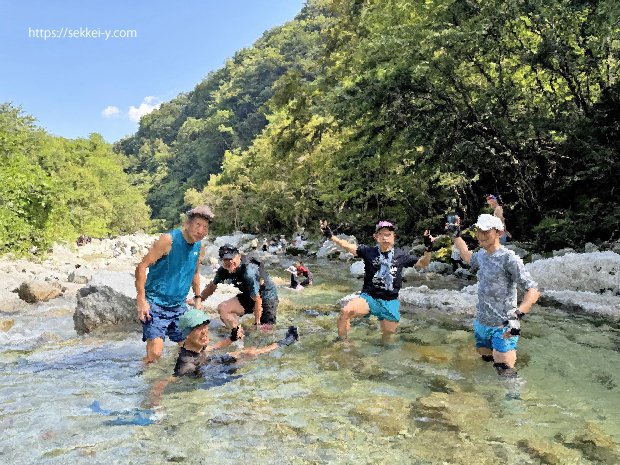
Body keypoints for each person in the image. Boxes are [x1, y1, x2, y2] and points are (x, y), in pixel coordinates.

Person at [451, 213, 540, 377]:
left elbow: (533, 290)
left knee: (505, 374)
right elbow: (465, 254)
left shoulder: (509, 258)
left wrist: (517, 315)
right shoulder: (481, 255)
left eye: (485, 231)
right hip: (482, 323)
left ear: (499, 233)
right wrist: (456, 235)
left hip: (503, 325)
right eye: (478, 231)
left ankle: (515, 402)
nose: (480, 235)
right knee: (486, 363)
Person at [148, 309, 299, 405]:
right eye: (199, 329)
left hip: (207, 362)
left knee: (245, 351)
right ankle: (284, 343)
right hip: (208, 374)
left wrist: (231, 339)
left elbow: (213, 348)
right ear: (186, 335)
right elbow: (160, 384)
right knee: (248, 356)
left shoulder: (194, 346)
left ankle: (282, 343)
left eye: (205, 327)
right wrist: (157, 408)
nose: (205, 332)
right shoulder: (185, 365)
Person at [320, 219, 433, 343]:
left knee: (388, 341)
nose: (385, 238)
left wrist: (428, 248)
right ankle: (343, 344)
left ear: (393, 237)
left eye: (388, 234)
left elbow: (423, 263)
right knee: (345, 311)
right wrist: (331, 236)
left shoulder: (401, 255)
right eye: (381, 234)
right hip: (369, 298)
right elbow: (347, 246)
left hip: (390, 301)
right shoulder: (369, 252)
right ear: (376, 237)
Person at [135, 205, 213, 363]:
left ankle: (178, 374)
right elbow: (142, 266)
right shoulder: (168, 240)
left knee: (191, 346)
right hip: (155, 303)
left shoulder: (200, 246)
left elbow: (195, 272)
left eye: (205, 227)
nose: (201, 230)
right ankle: (143, 375)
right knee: (155, 354)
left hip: (178, 306)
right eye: (197, 225)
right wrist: (141, 301)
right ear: (187, 223)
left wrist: (198, 298)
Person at [198, 244, 279, 329]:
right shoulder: (223, 270)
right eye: (225, 259)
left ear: (239, 256)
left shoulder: (249, 272)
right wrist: (199, 299)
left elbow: (258, 300)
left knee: (264, 330)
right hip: (250, 295)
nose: (229, 262)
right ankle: (237, 334)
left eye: (231, 258)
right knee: (223, 308)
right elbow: (212, 286)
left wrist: (257, 323)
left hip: (267, 296)